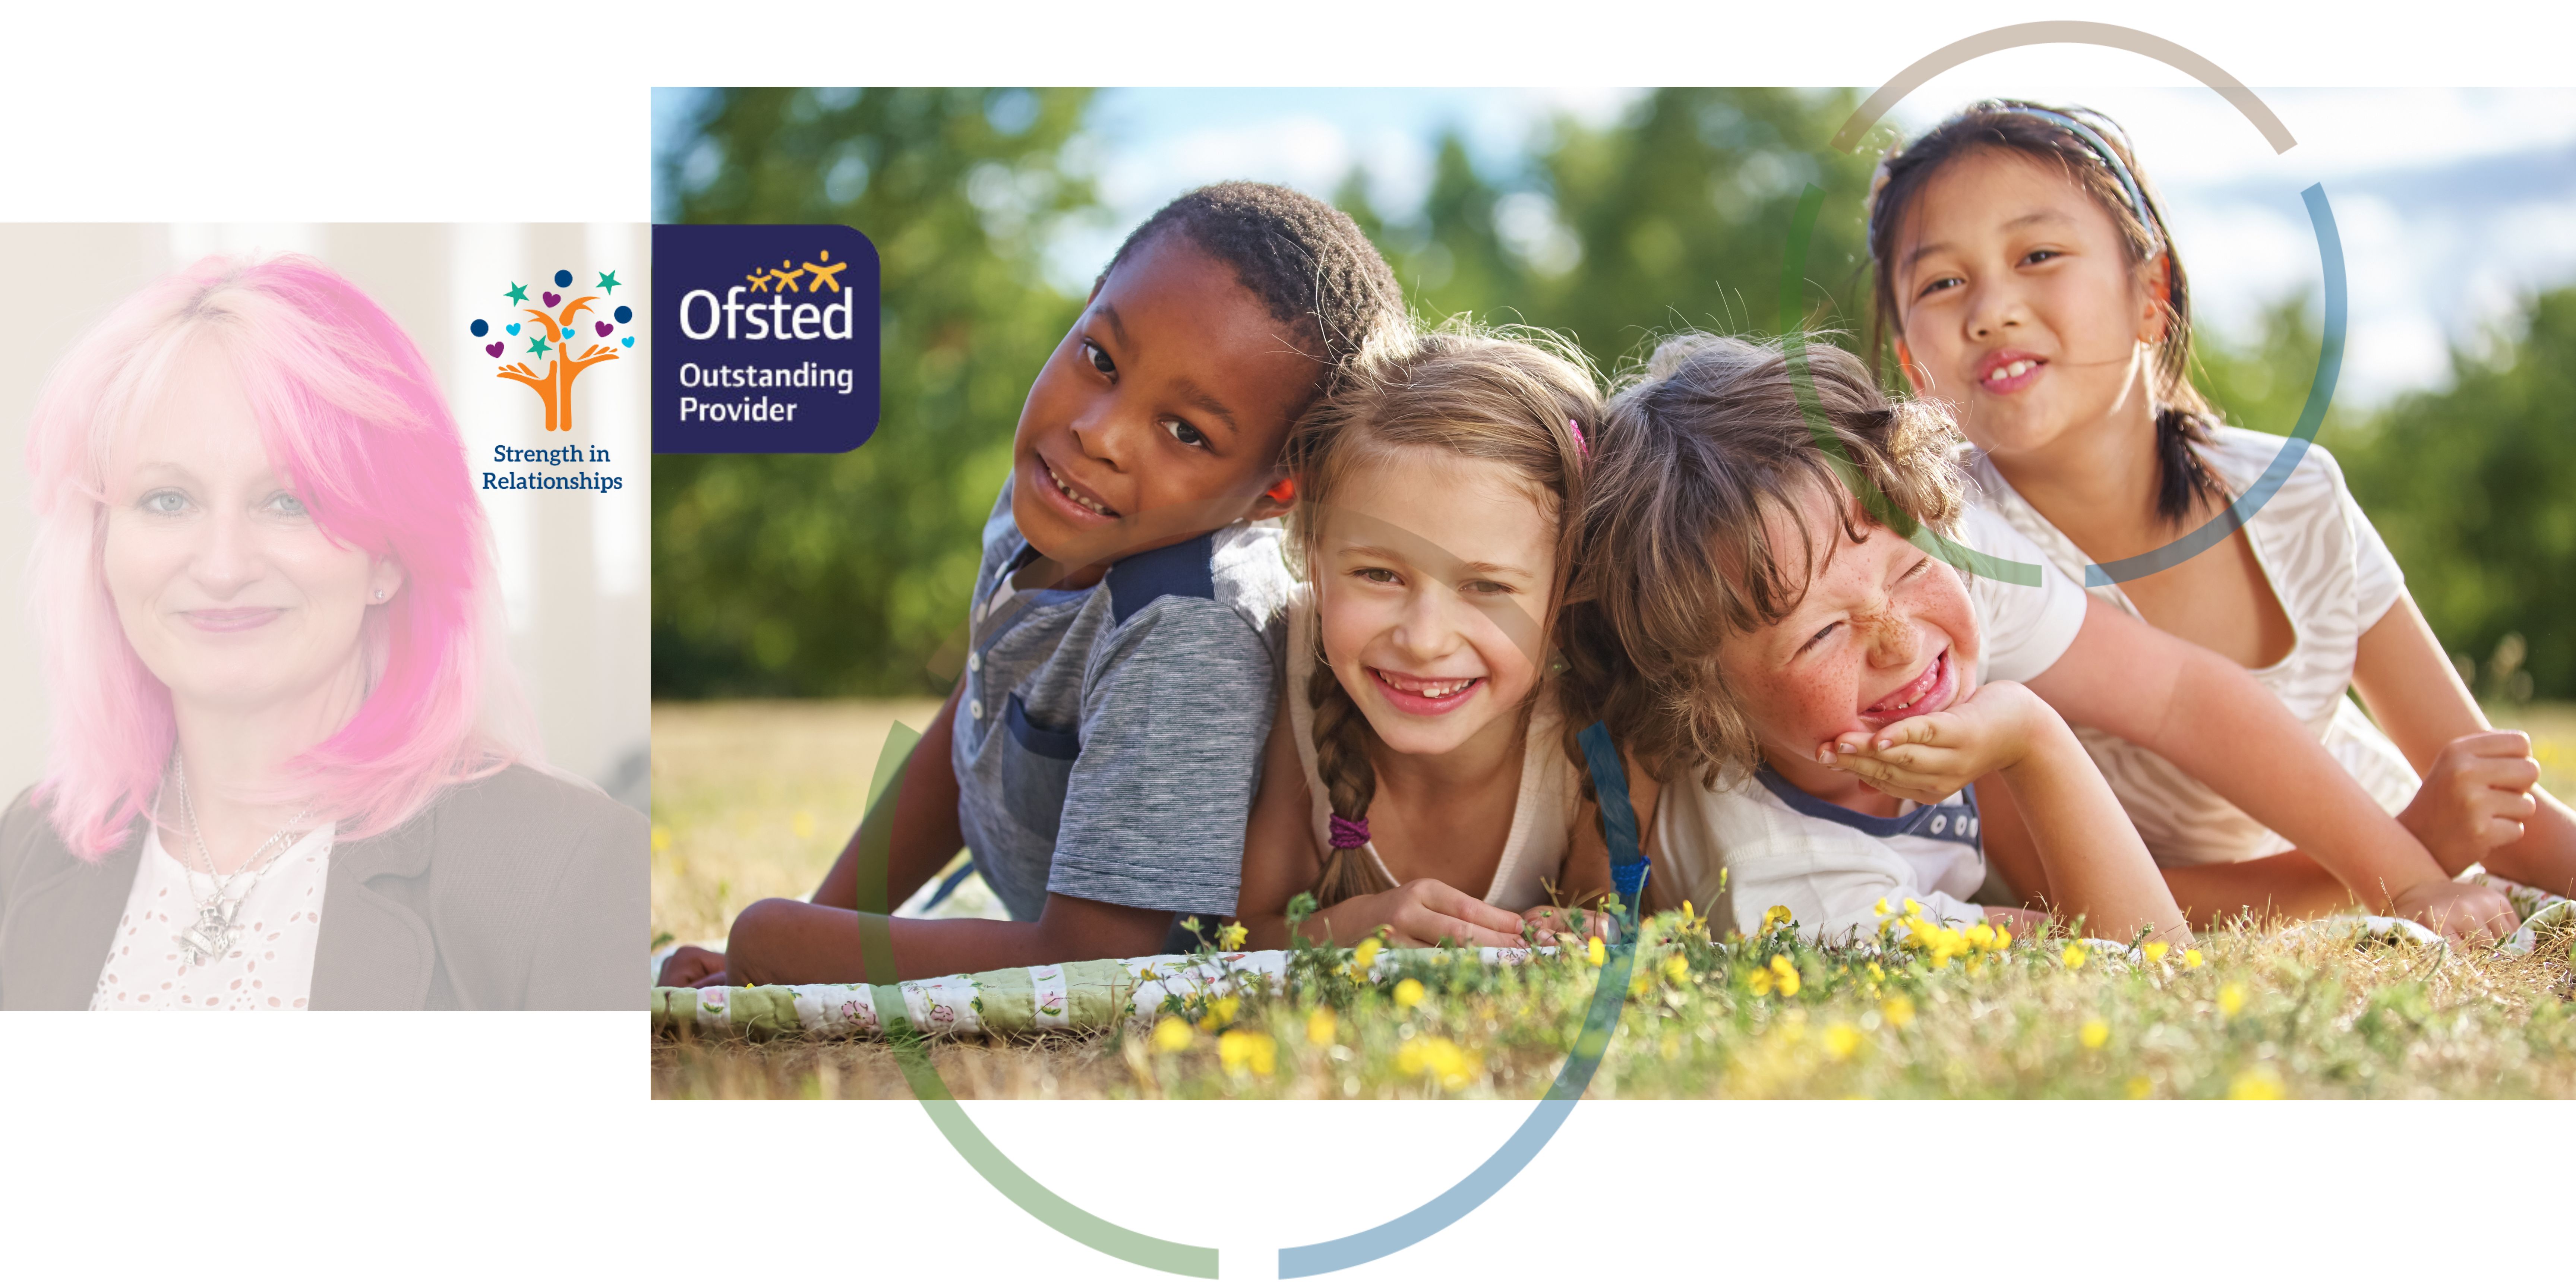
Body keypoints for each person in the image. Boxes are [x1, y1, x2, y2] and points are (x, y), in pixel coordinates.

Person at [660, 182, 1407, 988]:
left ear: (1278, 491)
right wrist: (826, 914)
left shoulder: (1186, 630)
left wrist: (784, 945)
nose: (1099, 432)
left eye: (1186, 432)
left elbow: (1104, 964)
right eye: (1101, 359)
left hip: (1129, 945)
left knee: (770, 932)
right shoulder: (1049, 502)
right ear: (1084, 308)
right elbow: (976, 731)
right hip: (1051, 919)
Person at [1866, 100, 2572, 918]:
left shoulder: (2296, 493)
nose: (1990, 309)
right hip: (2355, 858)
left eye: (2039, 254)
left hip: (2367, 824)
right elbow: (2063, 894)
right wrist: (2402, 859)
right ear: (1913, 365)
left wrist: (2425, 846)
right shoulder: (1947, 562)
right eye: (1943, 281)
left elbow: (2490, 799)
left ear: (2151, 296)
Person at [1567, 332, 2507, 944]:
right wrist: (2031, 734)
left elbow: (2182, 693)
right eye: (1819, 637)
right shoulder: (1800, 883)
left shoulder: (1933, 552)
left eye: (1905, 570)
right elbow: (2142, 956)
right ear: (1703, 697)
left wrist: (2405, 876)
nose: (1898, 639)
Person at [2, 253, 646, 1010]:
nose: (222, 565)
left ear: (390, 554)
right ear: (102, 546)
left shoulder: (566, 862)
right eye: (168, 500)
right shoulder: (26, 849)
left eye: (289, 502)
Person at [1229, 324, 1630, 950]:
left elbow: (1626, 921)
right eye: (1379, 574)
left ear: (1571, 586)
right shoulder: (1291, 663)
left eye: (1487, 587)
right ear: (1314, 556)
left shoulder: (1600, 719)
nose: (1424, 640)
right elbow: (1243, 935)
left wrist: (1591, 934)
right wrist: (1355, 929)